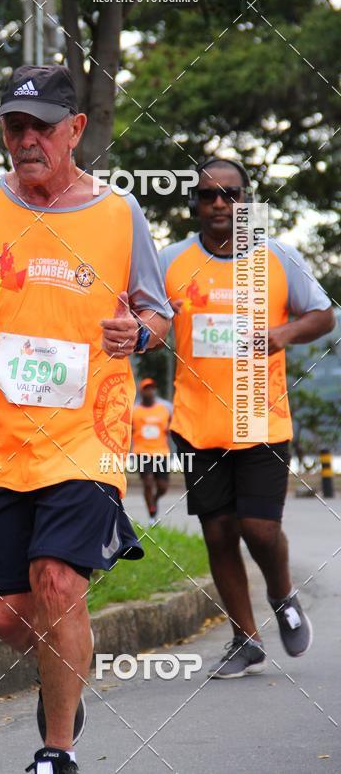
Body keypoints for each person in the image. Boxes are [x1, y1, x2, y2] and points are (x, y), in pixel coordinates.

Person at [0, 64, 172, 774]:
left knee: (58, 582)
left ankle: (54, 750)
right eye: (15, 126)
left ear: (75, 130)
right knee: (8, 615)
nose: (27, 139)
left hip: (87, 432)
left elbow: (156, 311)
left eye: (41, 126)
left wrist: (140, 333)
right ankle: (66, 668)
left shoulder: (120, 213)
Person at [159, 158, 334, 679]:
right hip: (196, 420)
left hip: (261, 416)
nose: (220, 203)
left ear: (248, 201)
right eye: (208, 195)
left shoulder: (277, 256)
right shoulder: (170, 260)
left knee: (258, 528)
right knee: (218, 533)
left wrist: (284, 334)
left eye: (231, 194)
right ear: (195, 204)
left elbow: (323, 314)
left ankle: (282, 595)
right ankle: (245, 639)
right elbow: (146, 314)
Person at [131, 377, 172, 525]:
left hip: (161, 453)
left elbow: (171, 427)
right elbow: (128, 430)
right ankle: (152, 515)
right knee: (148, 483)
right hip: (142, 453)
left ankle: (154, 499)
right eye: (146, 389)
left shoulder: (164, 409)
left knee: (163, 487)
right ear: (141, 392)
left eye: (151, 388)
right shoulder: (134, 411)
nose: (149, 391)